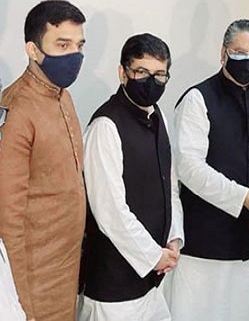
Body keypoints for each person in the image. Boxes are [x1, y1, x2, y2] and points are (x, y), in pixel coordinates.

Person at [166, 19, 249, 321]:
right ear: (223, 53)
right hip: (205, 239)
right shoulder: (197, 99)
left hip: (248, 238)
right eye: (239, 52)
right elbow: (189, 168)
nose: (247, 60)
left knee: (240, 311)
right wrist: (241, 196)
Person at [78, 33, 184, 321]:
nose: (151, 81)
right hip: (114, 285)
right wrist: (153, 256)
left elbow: (170, 187)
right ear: (122, 73)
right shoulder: (105, 126)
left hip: (153, 278)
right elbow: (110, 211)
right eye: (141, 72)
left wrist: (173, 238)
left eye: (159, 75)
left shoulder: (158, 116)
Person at [0, 0, 87, 321]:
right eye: (62, 45)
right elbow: (8, 216)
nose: (74, 55)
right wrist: (19, 302)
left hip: (67, 267)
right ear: (33, 50)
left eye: (79, 45)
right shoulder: (17, 108)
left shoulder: (64, 97)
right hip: (33, 279)